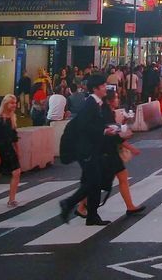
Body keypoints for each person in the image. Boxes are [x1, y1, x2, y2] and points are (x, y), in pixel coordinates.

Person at [58, 75, 130, 226]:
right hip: (87, 150)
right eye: (103, 86)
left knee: (94, 183)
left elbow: (93, 124)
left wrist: (107, 129)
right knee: (93, 182)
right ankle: (69, 203)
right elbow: (84, 126)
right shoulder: (90, 104)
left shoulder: (95, 103)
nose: (106, 88)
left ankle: (91, 215)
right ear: (95, 89)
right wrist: (104, 132)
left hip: (92, 149)